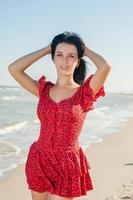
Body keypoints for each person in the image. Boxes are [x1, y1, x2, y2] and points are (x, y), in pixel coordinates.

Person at [8, 31, 111, 200]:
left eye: (71, 56)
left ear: (78, 61)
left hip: (67, 162)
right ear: (53, 58)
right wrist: (46, 49)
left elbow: (105, 67)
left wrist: (85, 49)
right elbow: (14, 69)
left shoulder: (84, 93)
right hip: (39, 158)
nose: (65, 61)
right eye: (59, 55)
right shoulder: (43, 90)